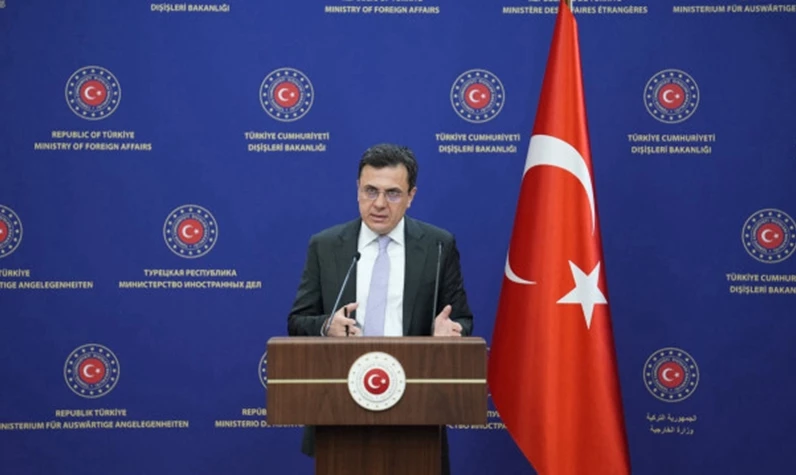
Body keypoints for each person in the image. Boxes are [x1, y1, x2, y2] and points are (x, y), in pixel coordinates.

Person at [287, 143, 474, 475]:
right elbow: (298, 321)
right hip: (340, 410)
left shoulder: (438, 245)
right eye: (370, 190)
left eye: (393, 193)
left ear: (411, 196)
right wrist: (327, 326)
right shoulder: (326, 245)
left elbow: (460, 318)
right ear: (357, 189)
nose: (378, 204)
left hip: (416, 411)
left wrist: (451, 332)